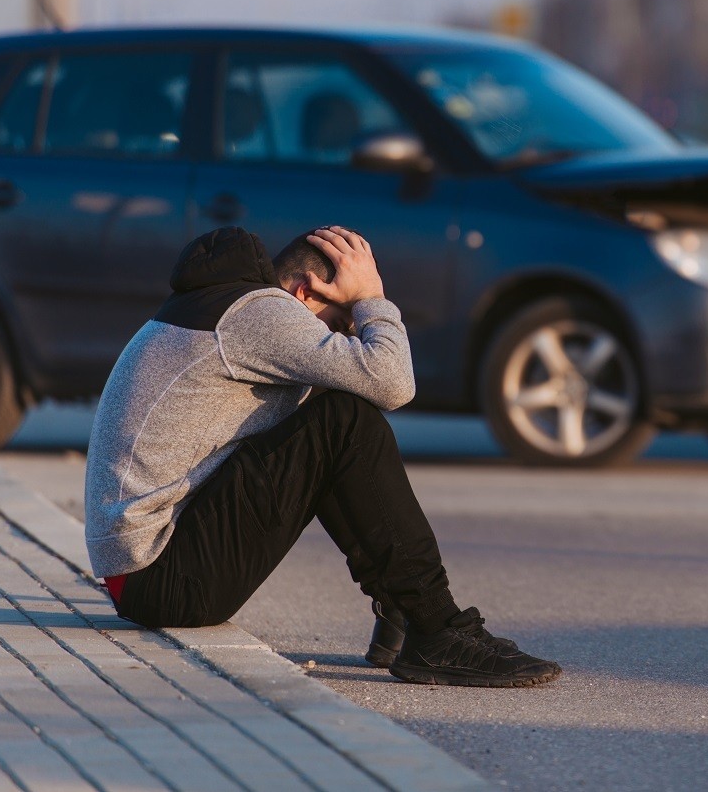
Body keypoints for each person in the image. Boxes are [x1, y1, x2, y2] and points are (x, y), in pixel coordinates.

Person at [84, 224, 560, 687]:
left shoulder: (225, 307)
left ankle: (405, 612)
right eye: (337, 324)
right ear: (305, 293)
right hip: (161, 577)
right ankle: (435, 628)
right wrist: (371, 298)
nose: (342, 339)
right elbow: (394, 383)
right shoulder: (260, 314)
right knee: (342, 418)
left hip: (147, 573)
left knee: (330, 411)